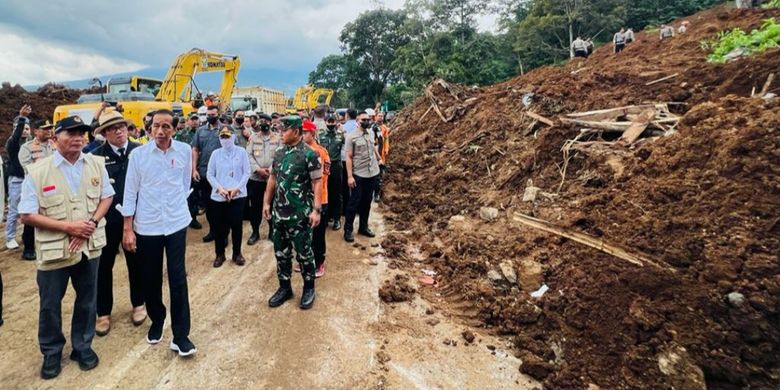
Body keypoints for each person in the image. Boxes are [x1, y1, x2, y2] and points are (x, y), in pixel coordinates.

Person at [19, 115, 114, 379]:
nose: (78, 138)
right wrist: (69, 228)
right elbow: (27, 214)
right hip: (54, 250)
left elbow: (106, 196)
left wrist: (91, 223)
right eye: (70, 133)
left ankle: (82, 346)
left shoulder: (95, 164)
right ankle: (51, 352)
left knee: (87, 300)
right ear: (54, 138)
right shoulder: (38, 171)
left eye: (82, 133)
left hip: (88, 245)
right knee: (50, 304)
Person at [122, 109, 197, 357]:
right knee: (151, 278)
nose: (161, 131)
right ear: (150, 129)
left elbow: (185, 185)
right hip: (148, 226)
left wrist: (176, 209)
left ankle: (181, 335)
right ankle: (157, 319)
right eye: (156, 126)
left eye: (166, 126)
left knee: (178, 278)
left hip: (176, 223)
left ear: (174, 129)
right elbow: (130, 191)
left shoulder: (184, 151)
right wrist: (128, 228)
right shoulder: (139, 156)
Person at [90, 110, 146, 337]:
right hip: (108, 219)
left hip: (137, 218)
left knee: (136, 263)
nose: (119, 131)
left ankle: (139, 304)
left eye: (122, 126)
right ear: (104, 133)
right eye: (113, 128)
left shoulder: (140, 152)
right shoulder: (95, 157)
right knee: (104, 267)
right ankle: (103, 312)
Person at [263, 115, 322, 309]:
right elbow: (272, 178)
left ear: (296, 132)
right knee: (281, 253)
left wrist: (316, 210)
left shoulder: (309, 155)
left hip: (300, 215)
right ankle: (285, 288)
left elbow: (317, 182)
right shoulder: (279, 152)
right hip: (280, 214)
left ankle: (309, 288)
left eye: (284, 129)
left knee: (304, 254)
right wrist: (266, 203)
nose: (280, 133)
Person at [207, 126, 250, 267]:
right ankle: (220, 254)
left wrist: (237, 188)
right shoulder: (215, 154)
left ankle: (237, 253)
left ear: (233, 137)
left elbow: (246, 173)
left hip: (237, 195)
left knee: (236, 225)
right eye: (222, 137)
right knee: (219, 227)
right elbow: (210, 174)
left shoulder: (241, 152)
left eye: (227, 136)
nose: (225, 140)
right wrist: (220, 189)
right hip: (219, 196)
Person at [19, 117, 56, 260]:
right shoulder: (26, 148)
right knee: (32, 218)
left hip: (55, 186)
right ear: (35, 131)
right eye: (44, 128)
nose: (48, 131)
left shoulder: (56, 144)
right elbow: (28, 168)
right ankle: (28, 248)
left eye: (49, 128)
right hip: (36, 187)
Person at [343, 111, 383, 242]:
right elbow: (348, 157)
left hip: (372, 173)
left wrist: (379, 159)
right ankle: (348, 230)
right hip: (358, 174)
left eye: (367, 119)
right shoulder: (351, 137)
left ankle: (363, 227)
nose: (366, 122)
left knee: (367, 202)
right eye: (363, 120)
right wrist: (349, 176)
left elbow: (373, 148)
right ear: (357, 121)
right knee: (354, 202)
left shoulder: (371, 133)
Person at [301, 120, 330, 277]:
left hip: (319, 198)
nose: (302, 135)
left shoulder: (320, 152)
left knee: (318, 234)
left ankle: (319, 261)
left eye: (304, 133)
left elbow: (323, 177)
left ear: (312, 134)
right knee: (305, 232)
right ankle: (305, 259)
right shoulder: (299, 151)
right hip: (302, 199)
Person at [191, 105, 224, 242]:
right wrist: (194, 169)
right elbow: (195, 149)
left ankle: (223, 233)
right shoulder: (200, 131)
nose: (210, 117)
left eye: (213, 114)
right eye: (208, 114)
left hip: (221, 174)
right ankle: (213, 231)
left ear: (218, 114)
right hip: (204, 173)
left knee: (222, 206)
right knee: (209, 205)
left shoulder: (225, 129)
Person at [246, 113, 279, 244]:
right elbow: (248, 155)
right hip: (256, 178)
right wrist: (258, 169)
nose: (263, 123)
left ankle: (272, 230)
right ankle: (255, 232)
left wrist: (271, 169)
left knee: (272, 205)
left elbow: (280, 154)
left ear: (271, 123)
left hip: (272, 177)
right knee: (255, 206)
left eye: (266, 121)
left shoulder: (277, 138)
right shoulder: (253, 138)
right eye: (261, 121)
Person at [6, 105, 33, 251]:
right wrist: (22, 118)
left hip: (30, 179)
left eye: (27, 128)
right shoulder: (12, 143)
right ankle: (10, 237)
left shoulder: (32, 144)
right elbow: (16, 136)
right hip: (17, 179)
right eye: (21, 127)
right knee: (14, 210)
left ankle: (27, 236)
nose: (24, 130)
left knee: (31, 209)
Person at [318, 114, 344, 230]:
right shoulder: (320, 136)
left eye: (333, 121)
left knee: (336, 193)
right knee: (324, 191)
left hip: (336, 166)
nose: (331, 124)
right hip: (323, 167)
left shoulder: (341, 136)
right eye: (329, 121)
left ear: (336, 122)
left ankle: (337, 218)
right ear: (325, 122)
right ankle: (326, 217)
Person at [340, 109, 358, 218]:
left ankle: (345, 209)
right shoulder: (358, 127)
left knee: (345, 186)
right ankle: (356, 208)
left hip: (344, 158)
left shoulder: (342, 128)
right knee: (356, 184)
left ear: (347, 115)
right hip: (356, 159)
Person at [374, 112, 390, 203]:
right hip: (373, 155)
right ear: (376, 117)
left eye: (382, 116)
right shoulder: (371, 128)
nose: (381, 118)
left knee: (379, 176)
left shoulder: (384, 129)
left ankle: (377, 194)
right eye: (379, 116)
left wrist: (386, 148)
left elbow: (386, 139)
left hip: (381, 154)